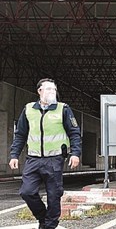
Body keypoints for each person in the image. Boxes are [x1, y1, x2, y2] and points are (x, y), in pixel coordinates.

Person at [9, 78, 81, 229]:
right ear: (39, 91)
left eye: (54, 89)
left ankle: (49, 225)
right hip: (33, 159)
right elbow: (20, 134)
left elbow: (74, 133)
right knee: (26, 192)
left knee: (54, 196)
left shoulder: (63, 109)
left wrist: (75, 153)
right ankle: (44, 218)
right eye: (48, 89)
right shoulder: (29, 109)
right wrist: (14, 155)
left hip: (54, 160)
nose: (52, 92)